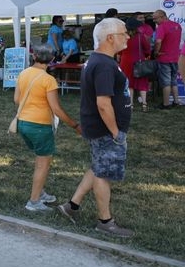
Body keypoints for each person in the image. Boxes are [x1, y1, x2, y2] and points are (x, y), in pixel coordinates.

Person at [58, 18, 134, 237]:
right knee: (103, 173)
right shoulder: (104, 65)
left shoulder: (99, 60)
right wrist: (115, 132)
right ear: (110, 38)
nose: (127, 36)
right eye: (124, 33)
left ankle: (71, 206)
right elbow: (102, 103)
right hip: (105, 130)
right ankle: (105, 221)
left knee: (98, 165)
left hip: (97, 127)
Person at [14, 45, 81, 212]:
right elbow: (56, 109)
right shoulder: (48, 80)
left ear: (34, 56)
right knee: (42, 164)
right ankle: (34, 201)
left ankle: (40, 192)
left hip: (23, 123)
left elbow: (16, 99)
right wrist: (75, 125)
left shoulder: (23, 73)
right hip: (40, 125)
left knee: (40, 161)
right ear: (52, 60)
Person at [152, 9, 182, 109]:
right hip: (175, 57)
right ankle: (176, 101)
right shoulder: (178, 25)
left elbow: (158, 41)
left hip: (164, 57)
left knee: (165, 82)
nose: (154, 21)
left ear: (162, 16)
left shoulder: (161, 27)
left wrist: (156, 52)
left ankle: (166, 104)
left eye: (155, 18)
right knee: (173, 81)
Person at [118, 18, 150, 112]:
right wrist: (146, 55)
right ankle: (144, 104)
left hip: (126, 61)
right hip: (139, 61)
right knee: (142, 83)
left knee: (129, 84)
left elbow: (119, 50)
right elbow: (147, 48)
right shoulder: (140, 36)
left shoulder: (122, 37)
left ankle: (131, 105)